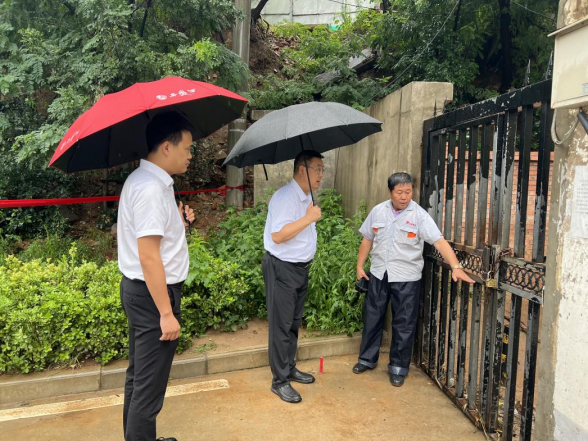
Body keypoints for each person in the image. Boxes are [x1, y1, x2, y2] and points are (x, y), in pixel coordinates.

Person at [353, 172, 474, 387]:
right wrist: (360, 266)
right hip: (379, 273)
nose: (404, 197)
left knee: (404, 322)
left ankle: (398, 367)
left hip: (406, 277)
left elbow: (438, 241)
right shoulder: (378, 211)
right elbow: (367, 239)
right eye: (399, 192)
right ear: (390, 192)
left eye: (408, 192)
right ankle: (366, 359)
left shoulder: (419, 215)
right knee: (373, 317)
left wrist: (456, 266)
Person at [117, 111, 196, 441]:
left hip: (142, 292)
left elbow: (157, 242)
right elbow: (149, 257)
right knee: (148, 391)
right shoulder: (151, 189)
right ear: (166, 147)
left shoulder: (147, 182)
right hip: (153, 297)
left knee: (139, 378)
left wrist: (180, 222)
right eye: (187, 148)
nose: (190, 155)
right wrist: (165, 312)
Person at [262, 150, 324, 403]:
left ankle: (288, 367)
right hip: (282, 268)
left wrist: (309, 217)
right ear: (302, 170)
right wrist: (308, 218)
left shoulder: (306, 197)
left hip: (300, 269)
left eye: (322, 169)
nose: (321, 174)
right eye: (317, 169)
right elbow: (278, 235)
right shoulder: (285, 197)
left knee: (293, 323)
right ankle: (279, 381)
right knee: (281, 325)